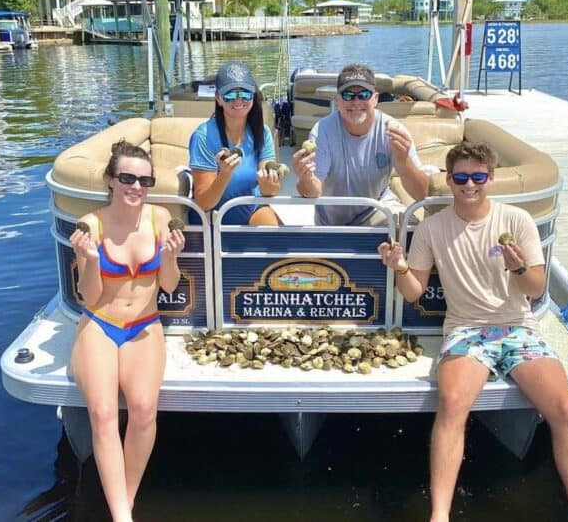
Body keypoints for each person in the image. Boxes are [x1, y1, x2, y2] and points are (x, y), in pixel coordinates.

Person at [377, 141, 568, 522]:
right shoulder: (431, 227)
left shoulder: (516, 221)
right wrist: (399, 267)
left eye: (478, 176)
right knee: (452, 405)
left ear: (491, 178)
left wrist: (518, 268)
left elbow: (535, 288)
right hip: (466, 330)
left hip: (518, 328)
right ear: (449, 179)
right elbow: (414, 293)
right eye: (460, 177)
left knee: (564, 409)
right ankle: (440, 515)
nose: (469, 185)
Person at [69, 139, 185, 522]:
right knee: (102, 414)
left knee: (143, 410)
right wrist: (88, 260)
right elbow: (89, 296)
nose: (136, 186)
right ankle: (122, 516)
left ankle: (124, 507)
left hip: (144, 325)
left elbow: (168, 286)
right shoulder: (92, 224)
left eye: (144, 179)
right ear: (110, 180)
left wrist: (169, 257)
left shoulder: (159, 217)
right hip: (101, 324)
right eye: (127, 178)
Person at [292, 63, 429, 226]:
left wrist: (405, 162)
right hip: (332, 222)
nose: (356, 102)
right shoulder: (322, 131)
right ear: (337, 100)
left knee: (411, 230)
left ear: (376, 98)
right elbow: (312, 192)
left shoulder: (394, 130)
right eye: (348, 95)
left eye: (364, 94)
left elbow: (422, 194)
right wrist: (305, 178)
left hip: (376, 209)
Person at [189, 60, 281, 225]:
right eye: (230, 95)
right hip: (212, 219)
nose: (238, 101)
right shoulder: (203, 136)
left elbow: (270, 192)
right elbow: (203, 203)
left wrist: (269, 183)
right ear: (218, 99)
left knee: (276, 237)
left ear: (253, 97)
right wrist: (224, 175)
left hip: (250, 211)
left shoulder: (263, 132)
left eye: (245, 94)